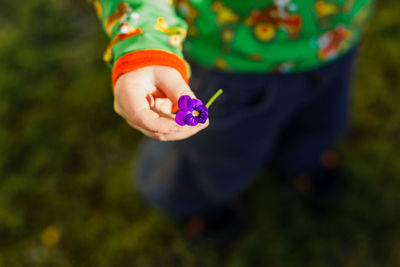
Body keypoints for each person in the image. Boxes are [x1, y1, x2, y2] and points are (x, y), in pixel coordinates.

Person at [92, 0, 373, 235]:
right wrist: (145, 43)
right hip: (227, 59)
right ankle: (193, 200)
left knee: (321, 122)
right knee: (217, 155)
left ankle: (301, 158)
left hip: (336, 39)